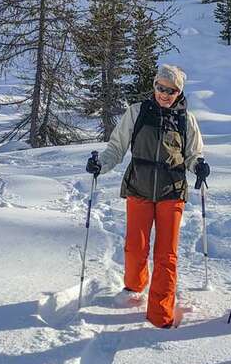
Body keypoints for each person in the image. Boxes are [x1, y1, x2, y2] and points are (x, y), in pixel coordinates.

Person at [86, 64, 207, 329]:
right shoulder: (137, 112)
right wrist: (100, 164)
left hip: (171, 191)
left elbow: (193, 154)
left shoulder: (186, 119)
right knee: (135, 246)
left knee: (166, 254)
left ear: (179, 92)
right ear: (154, 85)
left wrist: (198, 165)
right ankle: (134, 286)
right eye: (160, 87)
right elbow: (116, 147)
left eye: (171, 90)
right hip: (139, 187)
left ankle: (160, 315)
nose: (164, 94)